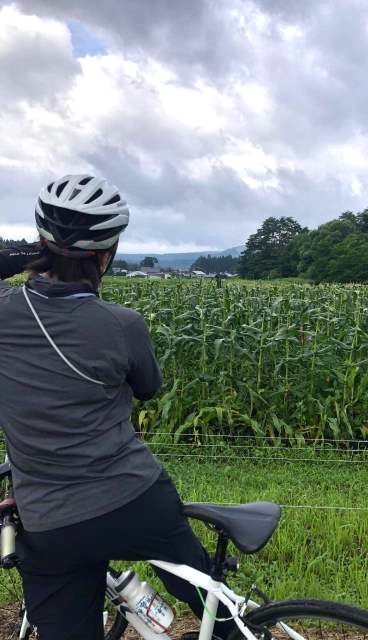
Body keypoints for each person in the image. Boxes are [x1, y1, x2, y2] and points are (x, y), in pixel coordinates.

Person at [0, 175, 235, 640]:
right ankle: (236, 628)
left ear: (40, 242)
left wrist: (31, 253)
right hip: (135, 500)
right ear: (105, 255)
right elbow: (148, 387)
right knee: (211, 603)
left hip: (50, 520)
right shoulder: (122, 325)